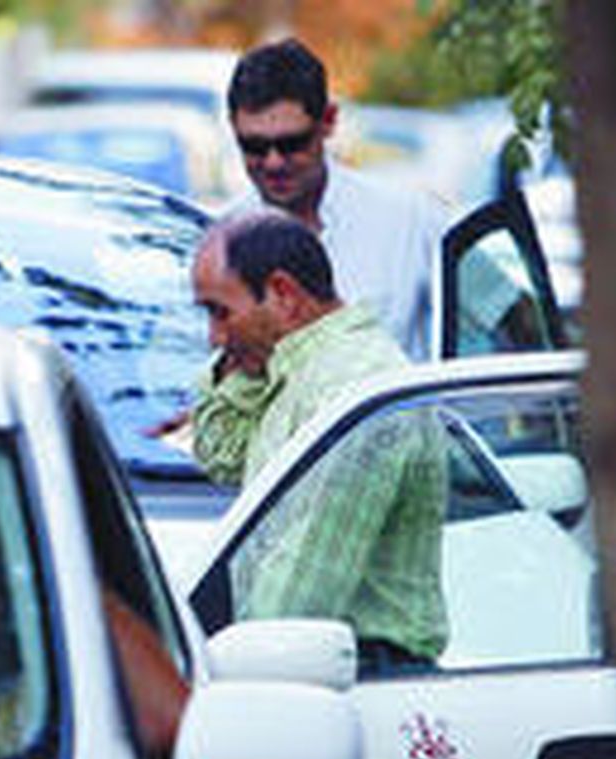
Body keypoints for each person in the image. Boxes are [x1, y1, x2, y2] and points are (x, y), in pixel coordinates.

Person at [190, 209, 448, 674]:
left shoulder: (353, 385)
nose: (214, 336)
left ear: (284, 295)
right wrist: (241, 361)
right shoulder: (298, 368)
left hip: (359, 675)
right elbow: (222, 454)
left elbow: (295, 597)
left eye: (220, 312)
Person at [224, 37, 450, 361]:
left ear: (328, 121)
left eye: (291, 144)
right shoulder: (218, 245)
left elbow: (508, 322)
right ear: (233, 128)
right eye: (254, 146)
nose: (273, 162)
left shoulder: (412, 221)